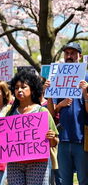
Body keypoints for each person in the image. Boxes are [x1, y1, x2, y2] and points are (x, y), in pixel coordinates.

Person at [0, 70, 59, 185]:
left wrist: (52, 137)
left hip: (37, 163)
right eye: (17, 88)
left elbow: (54, 143)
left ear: (32, 89)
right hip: (15, 164)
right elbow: (3, 142)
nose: (20, 90)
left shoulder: (42, 111)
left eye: (24, 87)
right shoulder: (10, 114)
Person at [52, 42, 88, 185]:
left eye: (73, 53)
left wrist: (85, 93)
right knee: (64, 181)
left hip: (82, 139)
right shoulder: (58, 78)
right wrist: (60, 104)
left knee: (84, 179)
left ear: (79, 56)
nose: (69, 56)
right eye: (67, 53)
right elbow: (52, 112)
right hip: (63, 139)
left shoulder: (86, 78)